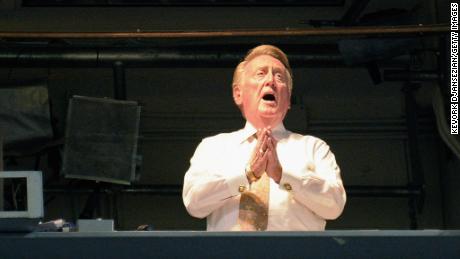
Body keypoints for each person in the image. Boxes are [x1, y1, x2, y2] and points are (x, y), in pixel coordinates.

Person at [182, 45, 346, 231]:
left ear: (288, 98)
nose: (271, 81)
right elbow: (194, 204)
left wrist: (283, 176)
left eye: (279, 77)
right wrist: (246, 175)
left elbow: (334, 206)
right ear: (238, 94)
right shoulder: (213, 147)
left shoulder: (314, 148)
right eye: (261, 74)